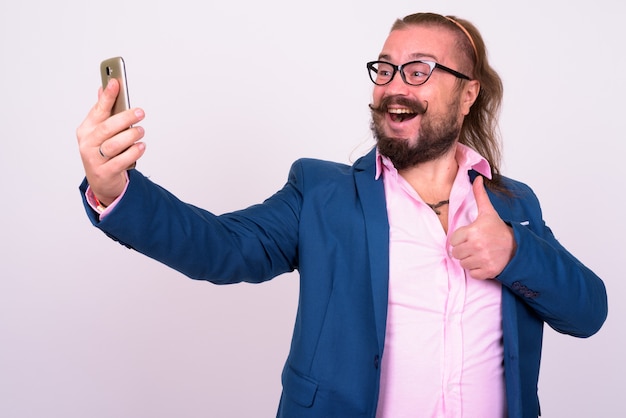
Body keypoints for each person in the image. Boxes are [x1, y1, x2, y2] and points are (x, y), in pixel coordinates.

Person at [76, 12, 607, 418]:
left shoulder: (514, 205)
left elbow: (587, 312)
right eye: (385, 68)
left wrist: (515, 255)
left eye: (419, 70)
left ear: (468, 94)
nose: (395, 85)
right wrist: (114, 188)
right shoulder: (322, 194)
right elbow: (220, 247)